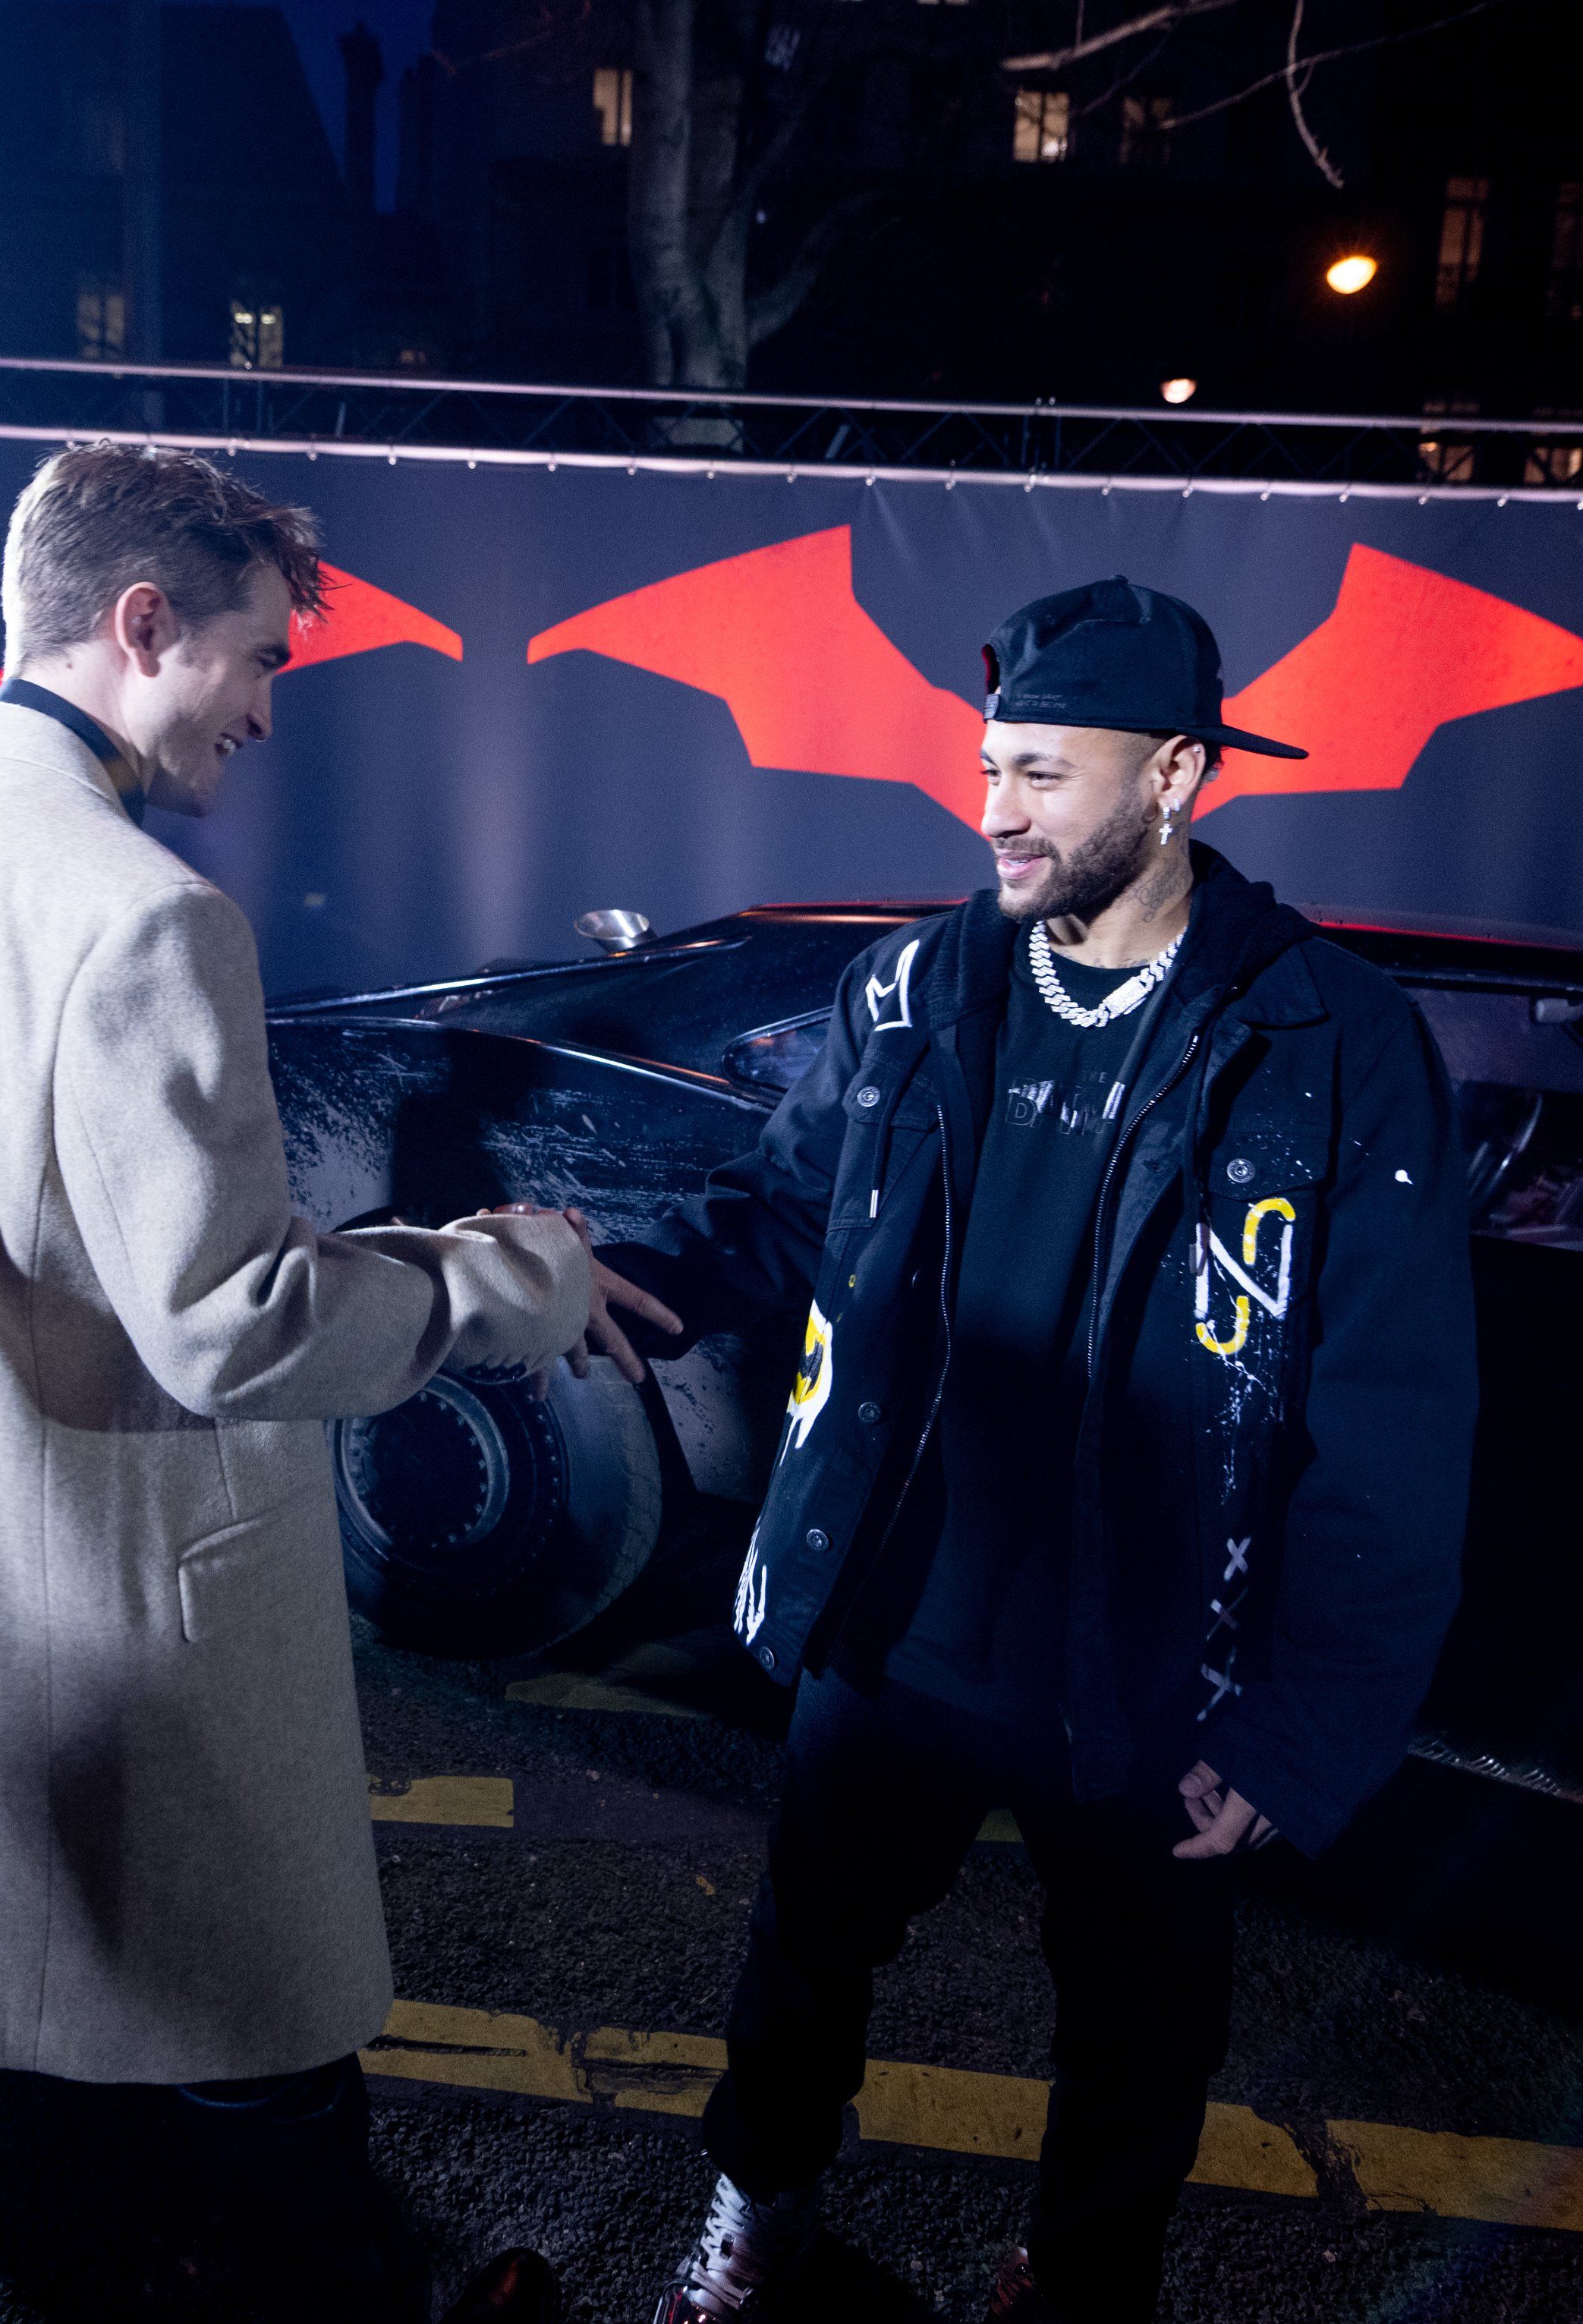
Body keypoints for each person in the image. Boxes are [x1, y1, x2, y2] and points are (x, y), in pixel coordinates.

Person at [0, 442, 609, 2322]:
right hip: (75, 1618)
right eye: (258, 659)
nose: (265, 711)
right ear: (141, 622)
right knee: (258, 2053)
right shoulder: (140, 912)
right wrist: (516, 1276)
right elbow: (233, 1320)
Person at [590, 578, 1480, 2324]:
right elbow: (790, 1208)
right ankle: (758, 2217)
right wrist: (647, 1274)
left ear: (1176, 774)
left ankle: (1076, 2293)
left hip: (1150, 1665)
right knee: (800, 1962)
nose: (992, 809)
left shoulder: (1327, 1040)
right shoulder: (916, 984)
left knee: (1142, 2033)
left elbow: (1390, 1415)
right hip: (890, 1606)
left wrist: (1306, 1727)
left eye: (1042, 774)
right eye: (989, 765)